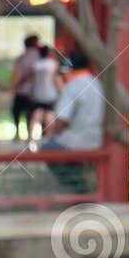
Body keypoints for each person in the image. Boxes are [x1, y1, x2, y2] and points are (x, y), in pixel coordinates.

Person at [39, 48, 105, 192]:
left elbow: (61, 121)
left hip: (75, 141)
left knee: (46, 149)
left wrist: (53, 134)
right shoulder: (98, 84)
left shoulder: (73, 87)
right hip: (97, 139)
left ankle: (76, 185)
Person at [5, 35, 40, 141]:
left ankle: (17, 133)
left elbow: (17, 73)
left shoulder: (22, 58)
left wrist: (13, 85)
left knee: (17, 112)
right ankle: (30, 135)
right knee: (32, 113)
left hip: (22, 90)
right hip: (35, 91)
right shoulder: (39, 57)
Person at [27, 45, 61, 140]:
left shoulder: (36, 65)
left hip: (37, 94)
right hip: (50, 94)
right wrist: (61, 90)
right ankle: (49, 137)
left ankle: (31, 138)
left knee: (36, 116)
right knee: (49, 116)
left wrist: (31, 92)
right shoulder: (53, 64)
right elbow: (56, 79)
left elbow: (32, 80)